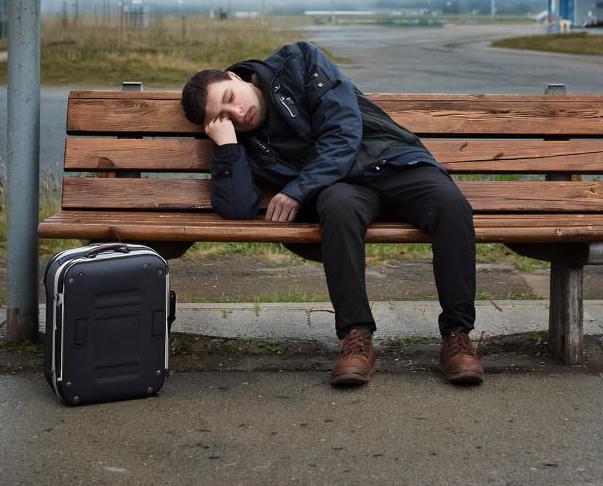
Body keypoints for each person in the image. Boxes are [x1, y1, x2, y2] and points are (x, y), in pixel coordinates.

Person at [181, 40, 483, 387]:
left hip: (391, 159)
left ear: (236, 77)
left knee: (450, 205)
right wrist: (227, 147)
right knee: (337, 209)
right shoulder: (242, 141)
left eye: (231, 97)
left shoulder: (298, 61)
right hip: (342, 187)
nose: (237, 113)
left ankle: (457, 337)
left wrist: (298, 189)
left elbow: (342, 131)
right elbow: (237, 208)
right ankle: (356, 337)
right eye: (223, 116)